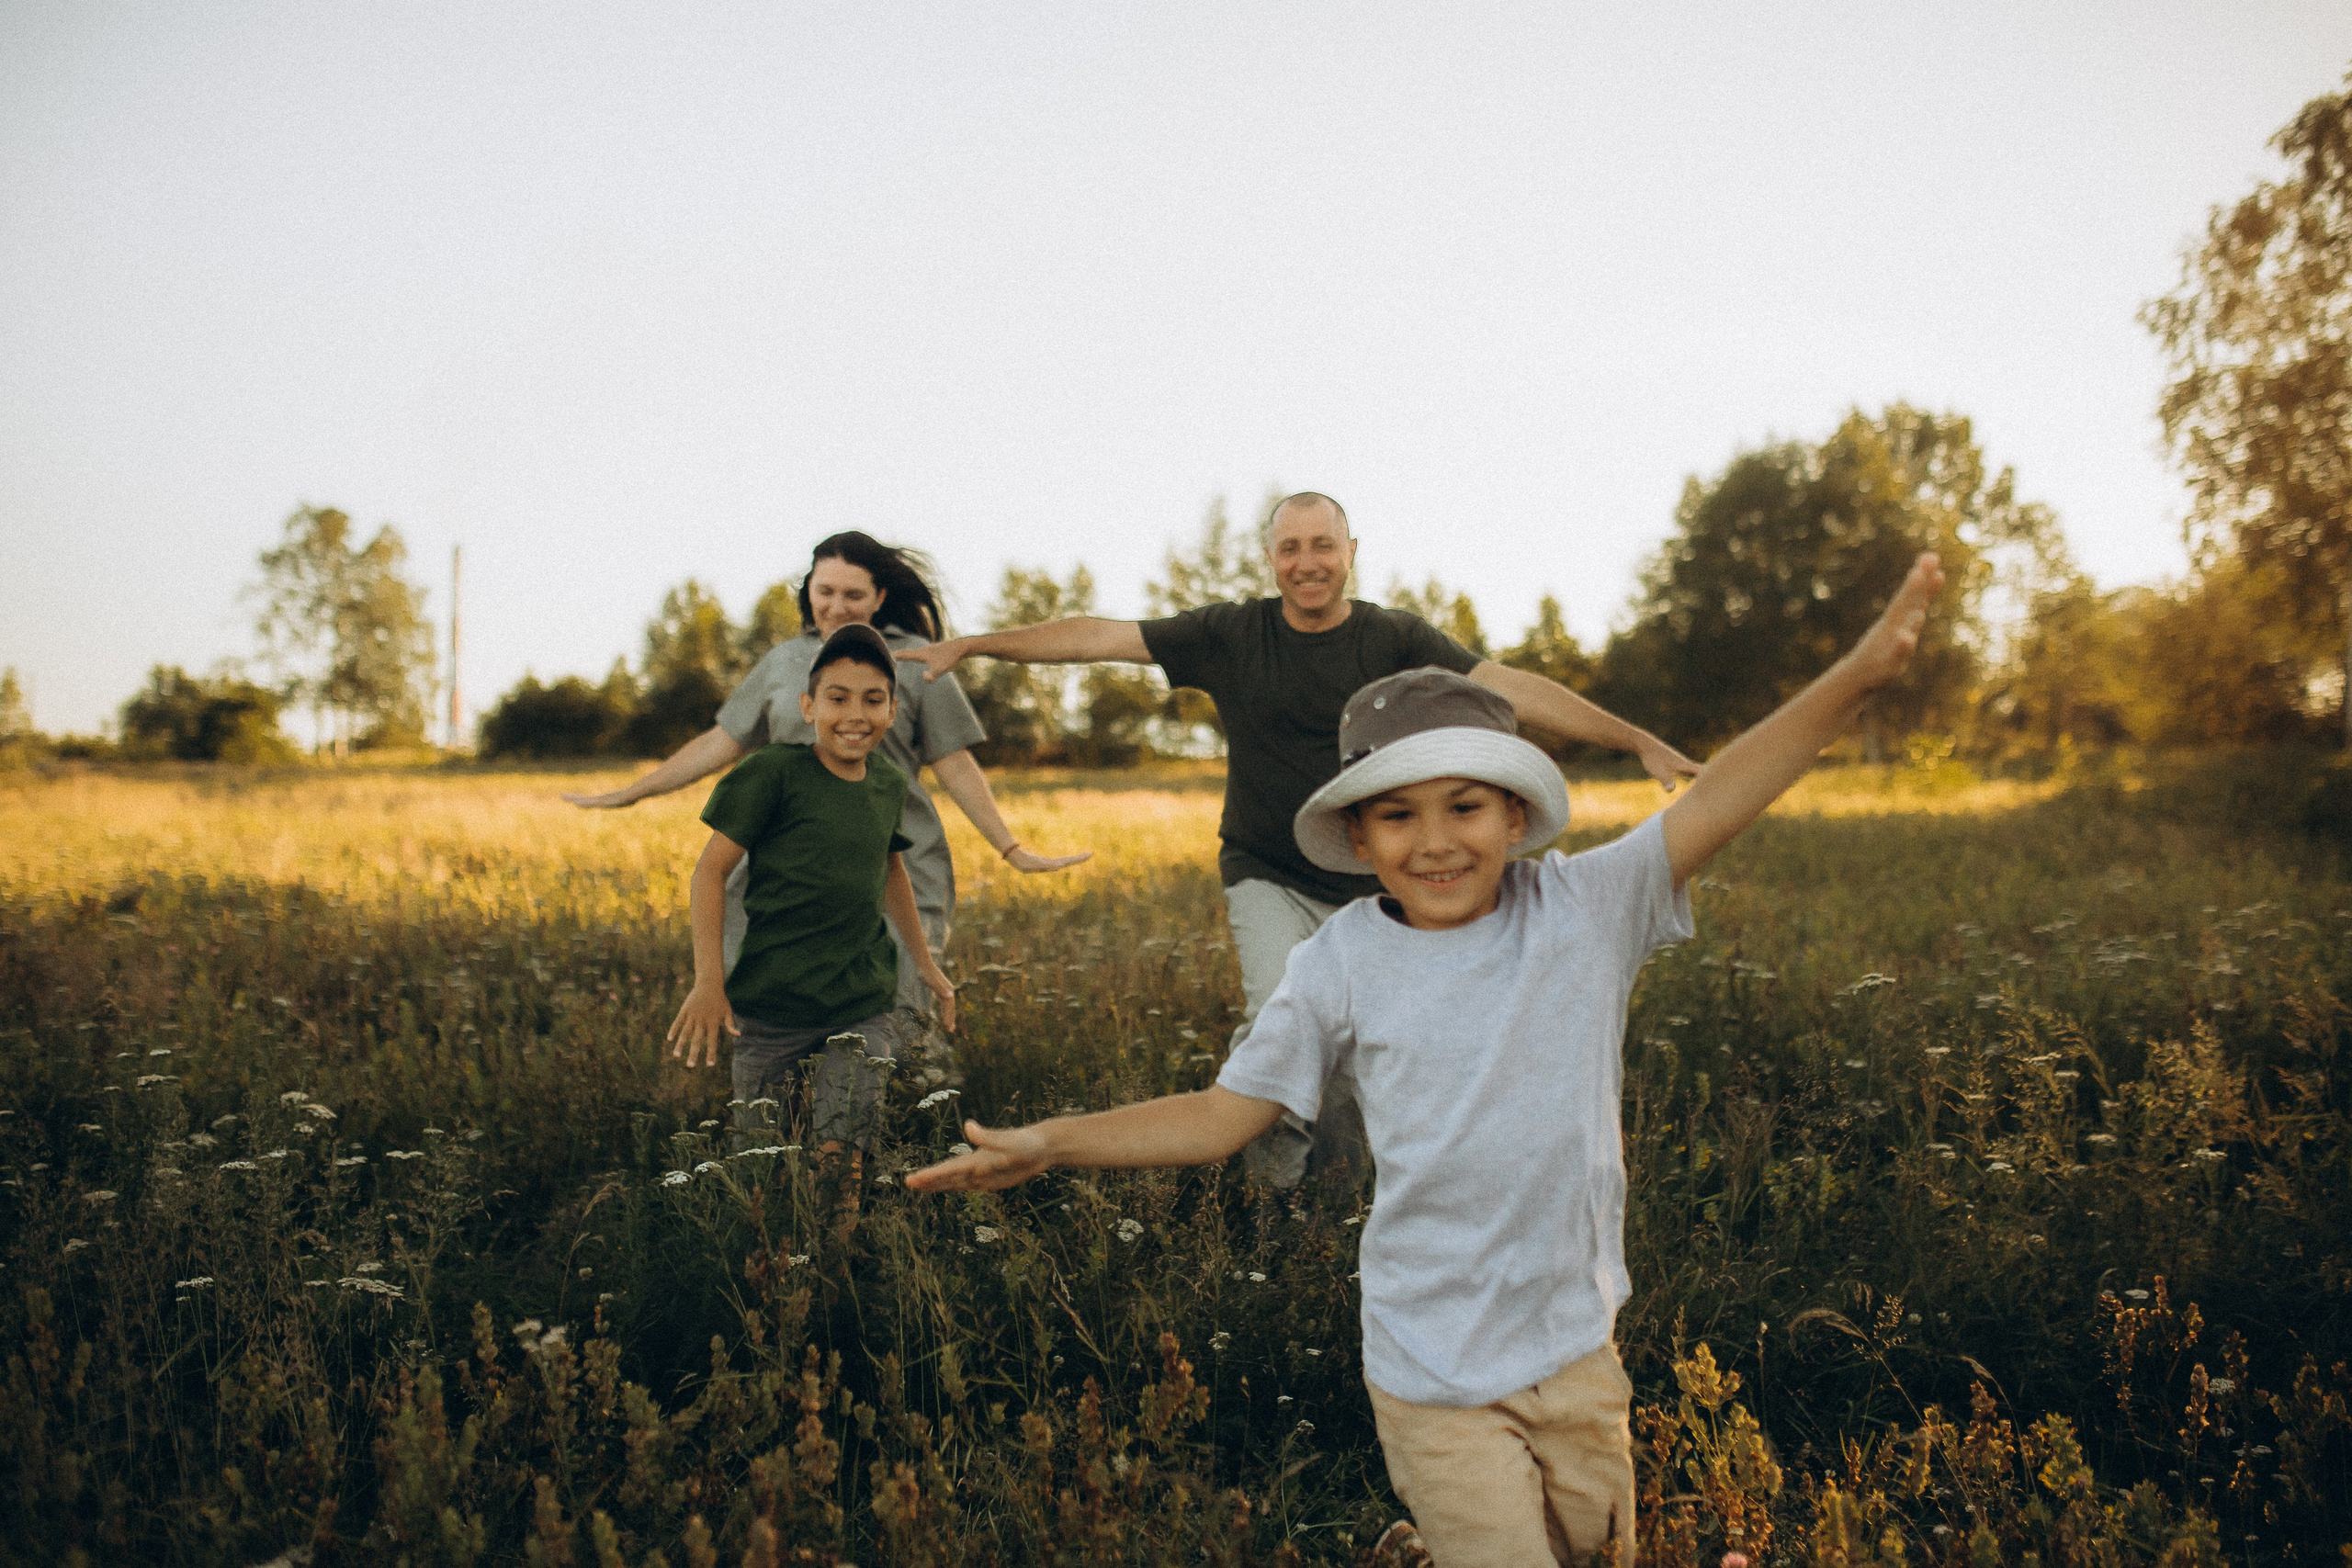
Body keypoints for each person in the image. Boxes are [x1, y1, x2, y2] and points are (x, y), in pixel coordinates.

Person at [907, 554, 1947, 1565]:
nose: (1434, 841)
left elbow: (1724, 795)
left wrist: (1855, 675)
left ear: (1514, 814)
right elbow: (1227, 1115)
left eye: (1464, 805)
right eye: (1397, 814)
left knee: (1597, 1549)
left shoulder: (1584, 910)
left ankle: (1422, 1546)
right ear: (1358, 837)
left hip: (1576, 1344)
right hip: (1429, 1365)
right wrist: (1055, 1143)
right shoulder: (1339, 961)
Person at [896, 492, 1700, 1189]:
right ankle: (1276, 1188)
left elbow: (1510, 688)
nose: (1307, 561)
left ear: (1351, 554)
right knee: (1285, 1012)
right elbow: (1101, 636)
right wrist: (977, 644)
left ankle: (1340, 1192)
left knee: (1355, 1042)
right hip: (1266, 868)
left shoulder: (1394, 637)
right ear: (1270, 560)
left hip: (1374, 876)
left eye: (1323, 545)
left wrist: (1633, 738)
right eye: (1290, 547)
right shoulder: (1231, 633)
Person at [568, 532, 1088, 1017]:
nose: (837, 606)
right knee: (775, 1012)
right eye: (826, 591)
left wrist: (1011, 848)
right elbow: (719, 742)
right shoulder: (782, 663)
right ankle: (787, 1108)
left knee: (898, 1006)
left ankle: (895, 1100)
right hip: (785, 868)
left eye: (853, 595)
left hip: (890, 864)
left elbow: (955, 763)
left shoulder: (917, 661)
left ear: (880, 597)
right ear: (808, 592)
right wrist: (631, 792)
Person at [667, 624, 957, 1187]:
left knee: (842, 1150)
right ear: (807, 706)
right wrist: (709, 982)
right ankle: (773, 1264)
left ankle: (834, 1261)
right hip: (771, 1004)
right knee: (763, 1164)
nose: (856, 714)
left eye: (874, 700)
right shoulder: (772, 773)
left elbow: (891, 867)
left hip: (859, 1002)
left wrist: (923, 963)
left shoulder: (888, 784)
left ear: (893, 711)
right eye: (837, 698)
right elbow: (710, 872)